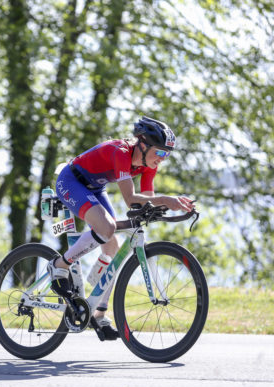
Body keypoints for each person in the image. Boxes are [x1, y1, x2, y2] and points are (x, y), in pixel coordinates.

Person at [47, 116, 195, 339]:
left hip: (96, 188)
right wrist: (166, 199)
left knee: (112, 248)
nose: (163, 159)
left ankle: (98, 313)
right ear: (143, 145)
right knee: (106, 229)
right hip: (70, 181)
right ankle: (59, 265)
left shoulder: (148, 166)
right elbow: (130, 199)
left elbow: (144, 201)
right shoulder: (121, 153)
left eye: (167, 154)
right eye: (161, 152)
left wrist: (170, 206)